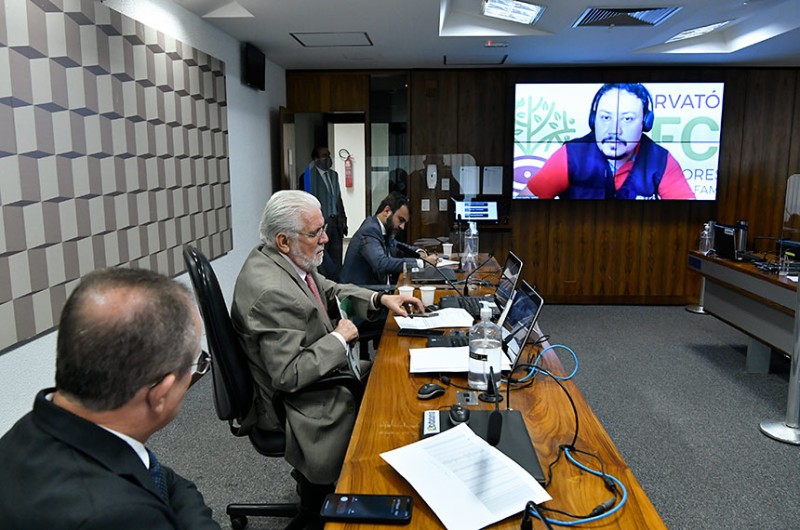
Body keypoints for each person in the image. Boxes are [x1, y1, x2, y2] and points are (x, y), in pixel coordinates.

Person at [230, 190, 423, 489]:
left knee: (394, 373)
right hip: (298, 402)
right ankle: (366, 486)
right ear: (283, 240)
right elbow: (287, 374)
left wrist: (381, 298)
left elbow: (329, 289)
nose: (326, 239)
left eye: (322, 229)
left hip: (316, 379)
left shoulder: (279, 258)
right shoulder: (273, 292)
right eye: (315, 232)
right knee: (391, 400)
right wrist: (338, 338)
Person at [0, 268, 219, 530]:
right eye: (198, 362)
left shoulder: (35, 425)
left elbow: (166, 481)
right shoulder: (119, 515)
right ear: (160, 393)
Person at [526, 83, 695, 200]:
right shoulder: (572, 154)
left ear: (645, 122)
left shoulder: (660, 159)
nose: (614, 130)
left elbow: (688, 211)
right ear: (593, 120)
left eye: (627, 119)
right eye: (606, 117)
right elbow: (526, 203)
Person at [341, 192, 438, 287]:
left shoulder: (382, 230)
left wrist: (418, 252)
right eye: (401, 220)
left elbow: (397, 245)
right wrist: (422, 263)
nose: (402, 227)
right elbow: (381, 263)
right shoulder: (370, 230)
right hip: (359, 296)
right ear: (387, 211)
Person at [300, 146, 348, 280]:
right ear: (316, 159)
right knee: (322, 259)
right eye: (324, 155)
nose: (328, 158)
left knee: (337, 258)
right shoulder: (308, 176)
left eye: (329, 155)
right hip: (321, 224)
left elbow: (338, 199)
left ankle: (338, 284)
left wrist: (343, 220)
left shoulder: (334, 175)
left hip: (335, 222)